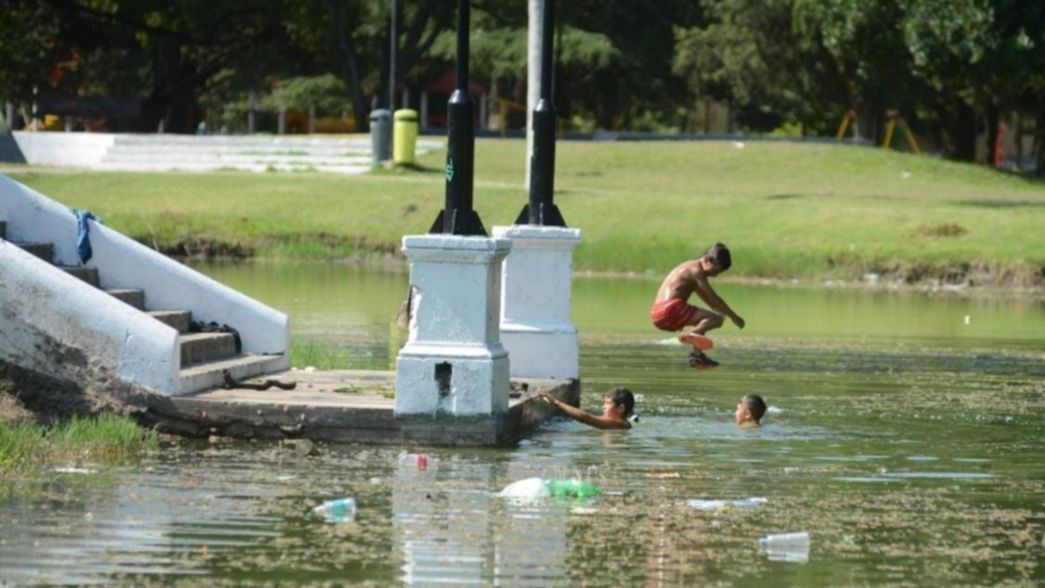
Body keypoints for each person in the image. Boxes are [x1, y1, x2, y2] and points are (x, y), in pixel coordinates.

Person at [650, 242, 745, 367]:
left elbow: (707, 298)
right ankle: (689, 335)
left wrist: (718, 309)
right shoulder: (696, 270)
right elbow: (713, 297)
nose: (714, 276)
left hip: (657, 313)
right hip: (669, 309)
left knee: (704, 321)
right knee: (716, 320)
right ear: (707, 260)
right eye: (714, 271)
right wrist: (734, 317)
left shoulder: (690, 268)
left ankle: (697, 356)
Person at [539, 387, 635, 430]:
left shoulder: (620, 424)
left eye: (608, 403)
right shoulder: (615, 422)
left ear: (621, 408)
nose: (603, 407)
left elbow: (585, 417)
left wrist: (556, 402)